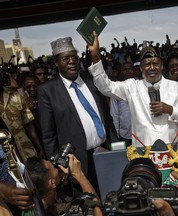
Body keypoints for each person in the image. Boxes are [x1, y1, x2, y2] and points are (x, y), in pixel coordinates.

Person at [87, 32, 178, 147]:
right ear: (141, 67)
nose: (152, 68)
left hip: (172, 150)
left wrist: (170, 110)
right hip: (142, 153)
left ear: (162, 66)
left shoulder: (175, 87)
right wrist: (95, 57)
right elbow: (105, 87)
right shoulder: (132, 86)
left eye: (155, 64)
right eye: (147, 64)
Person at [37, 37, 114, 190]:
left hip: (105, 153)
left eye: (74, 57)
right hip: (77, 163)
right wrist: (59, 166)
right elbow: (48, 135)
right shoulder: (47, 91)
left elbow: (107, 117)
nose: (72, 61)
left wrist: (115, 146)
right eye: (66, 59)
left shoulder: (92, 81)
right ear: (56, 63)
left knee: (111, 195)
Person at [26, 154, 102, 216]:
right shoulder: (52, 211)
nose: (57, 169)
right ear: (52, 183)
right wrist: (79, 174)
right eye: (54, 168)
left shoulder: (34, 206)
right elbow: (96, 208)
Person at [0, 85, 44, 162]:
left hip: (28, 151)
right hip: (7, 157)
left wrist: (40, 148)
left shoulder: (15, 95)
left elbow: (28, 124)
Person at [110, 62, 135, 146]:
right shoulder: (116, 90)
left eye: (129, 69)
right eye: (124, 70)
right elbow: (114, 114)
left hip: (141, 134)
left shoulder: (142, 86)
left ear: (134, 70)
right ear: (121, 72)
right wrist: (117, 134)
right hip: (124, 135)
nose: (127, 71)